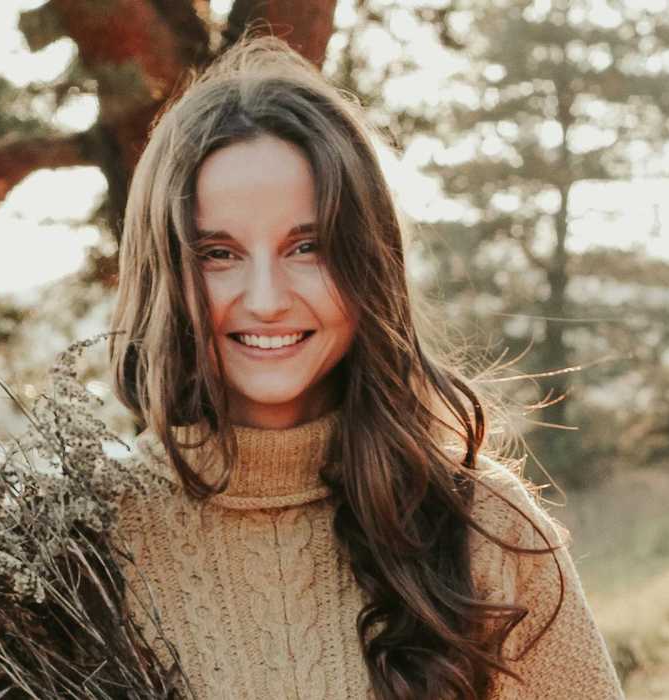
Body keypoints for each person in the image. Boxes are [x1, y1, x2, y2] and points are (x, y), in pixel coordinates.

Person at [107, 35, 624, 700]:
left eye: (308, 246)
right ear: (163, 274)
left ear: (368, 262)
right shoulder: (77, 543)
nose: (265, 300)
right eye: (217, 253)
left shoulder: (483, 522)